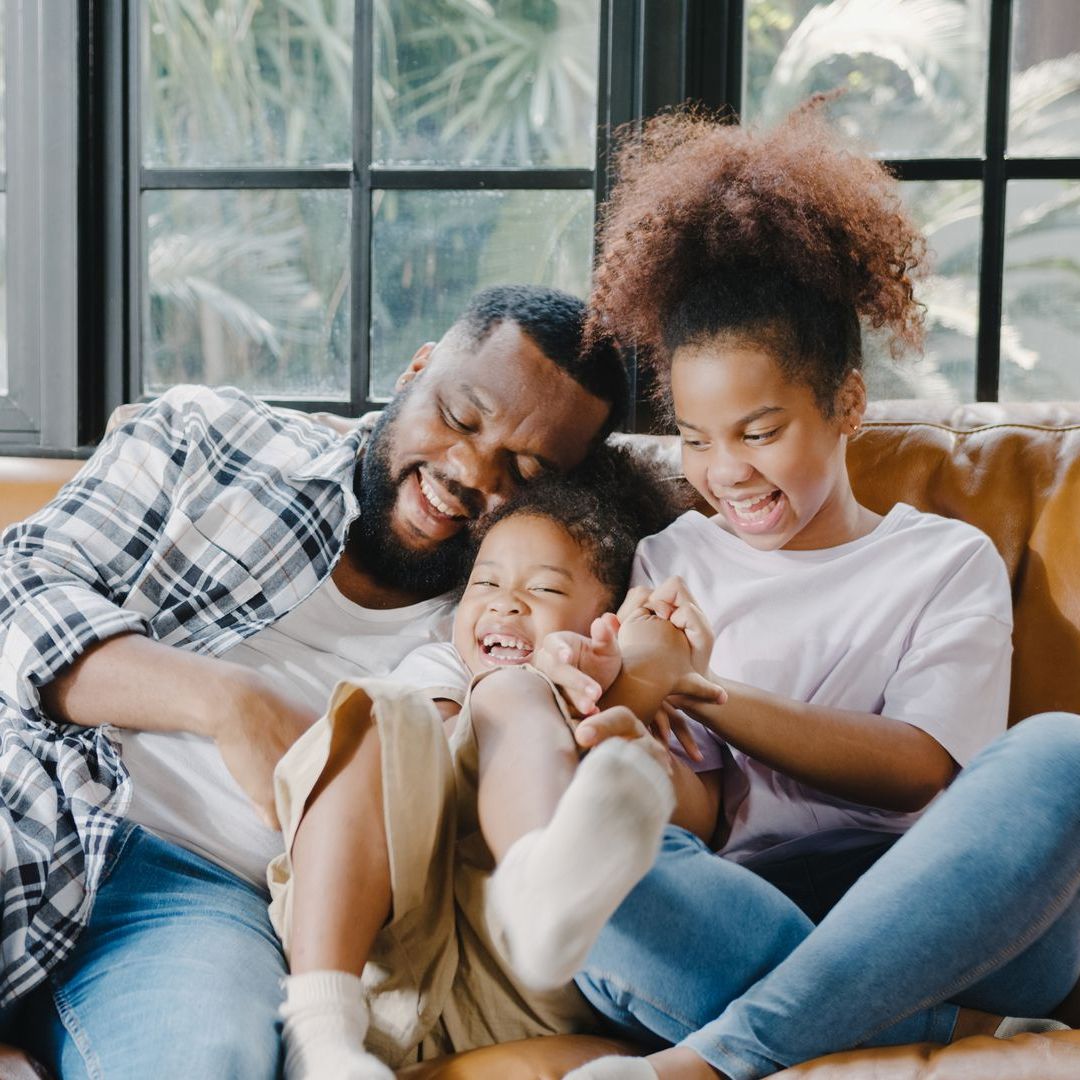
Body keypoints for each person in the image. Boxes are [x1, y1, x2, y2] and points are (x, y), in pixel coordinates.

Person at [529, 105, 1080, 1080]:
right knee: (602, 865)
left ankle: (714, 1058)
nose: (725, 471)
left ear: (848, 406)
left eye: (759, 429)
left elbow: (918, 770)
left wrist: (699, 689)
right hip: (746, 906)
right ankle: (926, 1024)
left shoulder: (943, 561)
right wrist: (633, 744)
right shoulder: (673, 560)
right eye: (696, 439)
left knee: (1064, 751)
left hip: (944, 900)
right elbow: (704, 815)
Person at [0, 285, 626, 1078]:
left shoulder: (503, 630)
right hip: (29, 792)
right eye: (461, 418)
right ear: (418, 368)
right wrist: (227, 703)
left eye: (524, 469)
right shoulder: (212, 439)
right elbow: (17, 585)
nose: (469, 469)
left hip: (202, 902)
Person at [267, 445, 719, 1079]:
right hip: (381, 951)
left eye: (544, 588)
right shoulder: (443, 668)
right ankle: (318, 1036)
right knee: (382, 711)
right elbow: (430, 765)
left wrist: (625, 700)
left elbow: (698, 824)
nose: (505, 604)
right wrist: (539, 688)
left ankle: (547, 887)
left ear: (606, 619)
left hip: (511, 986)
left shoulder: (634, 698)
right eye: (485, 583)